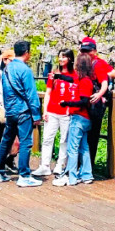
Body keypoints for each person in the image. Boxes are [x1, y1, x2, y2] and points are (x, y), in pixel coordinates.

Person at [0, 40, 43, 187]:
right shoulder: (25, 70)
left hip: (11, 110)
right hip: (23, 110)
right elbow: (31, 94)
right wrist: (36, 114)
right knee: (26, 142)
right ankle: (24, 175)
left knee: (6, 139)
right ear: (27, 52)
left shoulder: (7, 68)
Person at [53, 52, 96, 186]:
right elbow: (71, 80)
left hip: (78, 118)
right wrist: (59, 76)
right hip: (85, 119)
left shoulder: (84, 82)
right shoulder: (84, 79)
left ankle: (71, 177)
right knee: (84, 148)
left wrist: (67, 103)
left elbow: (83, 101)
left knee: (72, 148)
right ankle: (87, 175)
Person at [32, 49, 75, 177]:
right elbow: (48, 93)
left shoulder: (75, 75)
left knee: (64, 140)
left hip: (66, 112)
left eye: (64, 57)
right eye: (60, 57)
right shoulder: (53, 74)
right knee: (47, 138)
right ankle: (44, 165)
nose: (61, 59)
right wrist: (45, 110)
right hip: (52, 111)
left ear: (70, 59)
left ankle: (60, 165)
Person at [77, 36, 115, 168]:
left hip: (93, 104)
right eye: (83, 51)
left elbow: (113, 75)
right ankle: (80, 165)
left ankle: (88, 167)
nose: (85, 54)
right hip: (82, 103)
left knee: (92, 136)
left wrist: (99, 92)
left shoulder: (99, 64)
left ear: (94, 51)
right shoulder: (81, 64)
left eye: (88, 51)